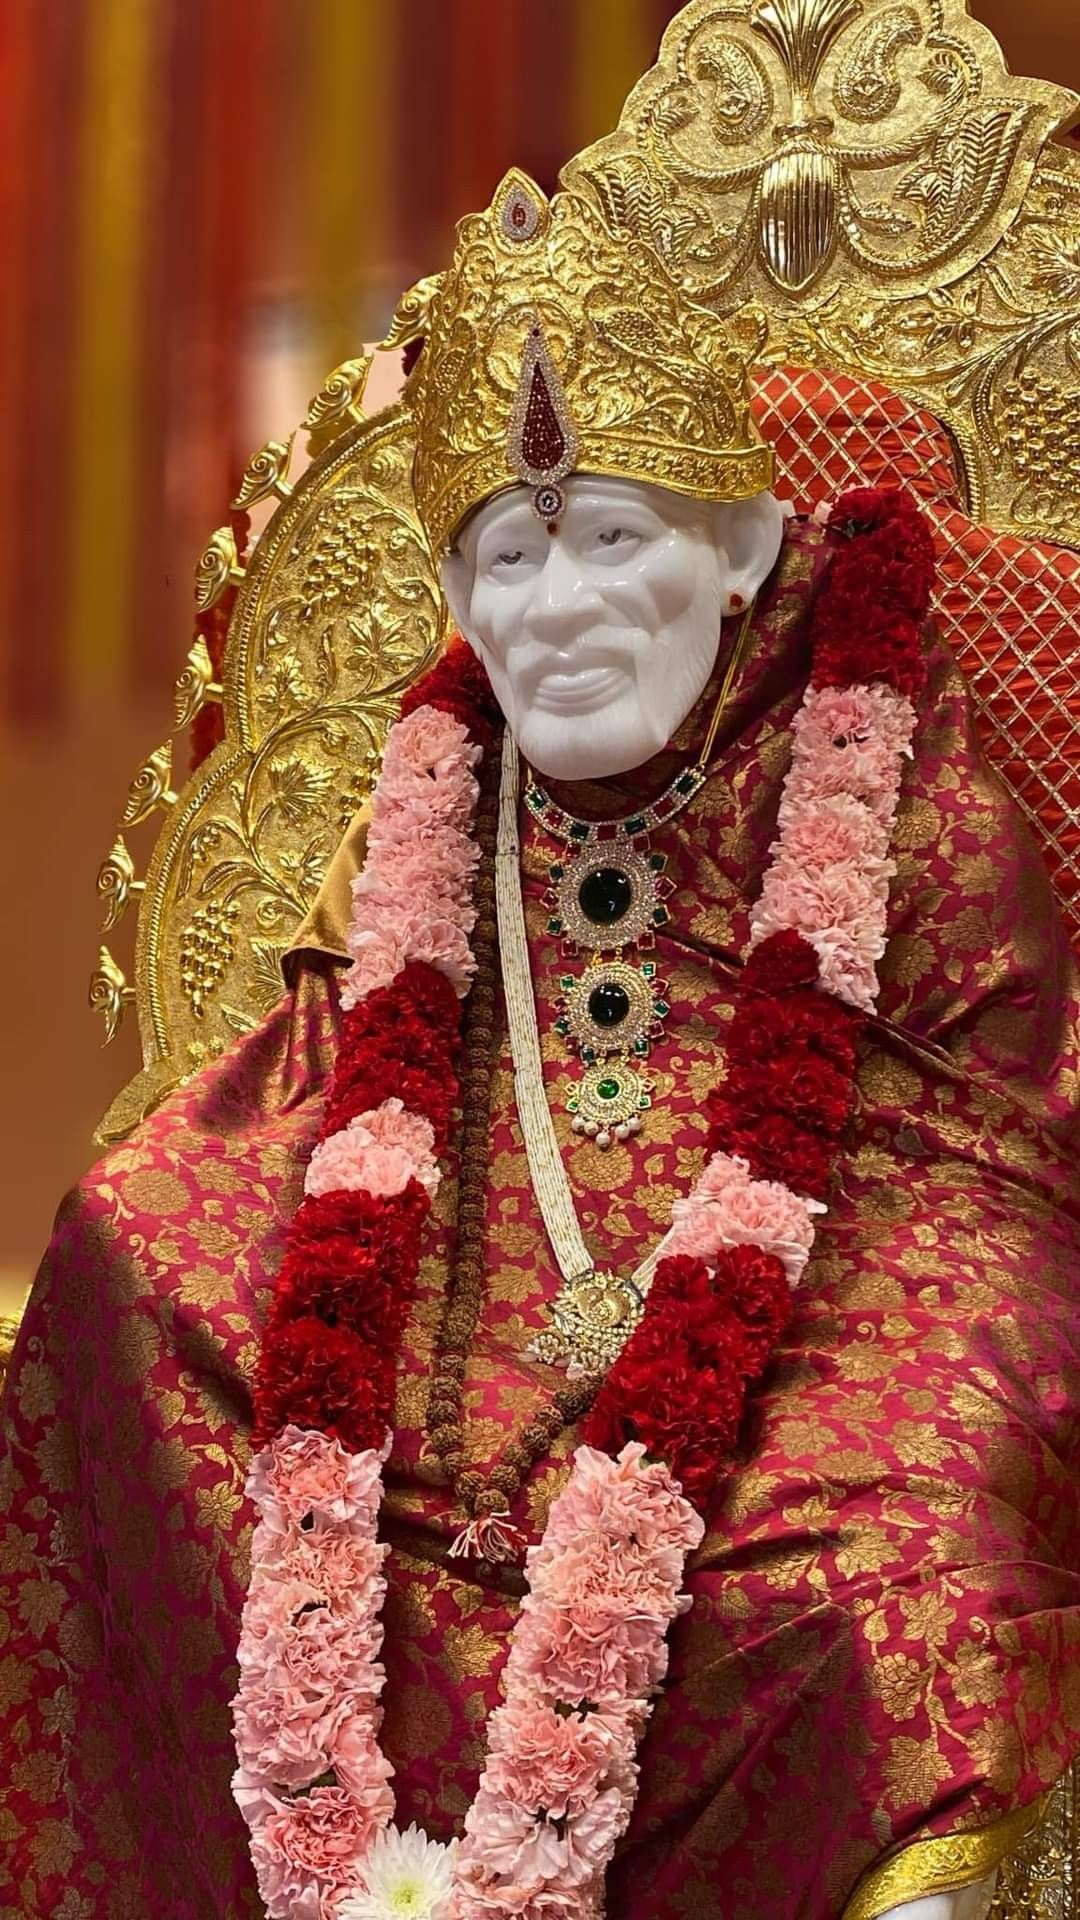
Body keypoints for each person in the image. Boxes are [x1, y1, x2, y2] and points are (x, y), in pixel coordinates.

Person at [2, 171, 1078, 1920]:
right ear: (455, 603)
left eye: (611, 534)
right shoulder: (442, 788)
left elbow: (995, 1180)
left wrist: (746, 1373)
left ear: (736, 551)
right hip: (448, 1297)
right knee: (130, 1249)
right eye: (509, 553)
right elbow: (328, 1066)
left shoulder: (893, 762)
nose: (559, 607)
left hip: (813, 1334)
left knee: (884, 1592)